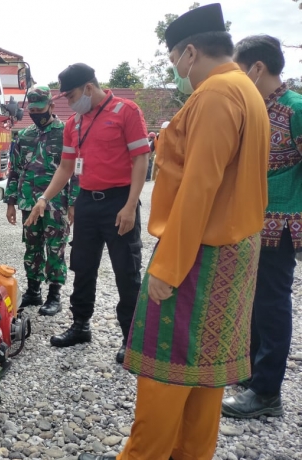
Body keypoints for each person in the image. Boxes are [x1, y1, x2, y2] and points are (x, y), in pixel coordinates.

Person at [77, 5, 270, 460]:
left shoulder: (215, 94)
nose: (177, 71)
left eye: (173, 62)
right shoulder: (246, 89)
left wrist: (167, 267)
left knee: (166, 371)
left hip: (197, 255)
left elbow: (199, 187)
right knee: (205, 375)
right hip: (234, 251)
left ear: (188, 53)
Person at [25, 66, 150, 363]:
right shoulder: (75, 123)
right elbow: (66, 168)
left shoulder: (126, 111)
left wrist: (131, 205)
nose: (68, 101)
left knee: (126, 270)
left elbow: (141, 159)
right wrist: (44, 198)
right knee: (83, 266)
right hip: (87, 203)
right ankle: (80, 325)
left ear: (89, 88)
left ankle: (131, 339)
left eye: (71, 95)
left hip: (119, 200)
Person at [222, 34, 302, 419]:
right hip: (251, 222)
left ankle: (267, 392)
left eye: (238, 68)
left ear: (256, 68)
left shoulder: (294, 108)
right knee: (251, 301)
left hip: (281, 224)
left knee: (271, 305)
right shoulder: (255, 107)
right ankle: (252, 373)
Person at [5, 86, 77, 316]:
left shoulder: (66, 132)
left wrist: (73, 203)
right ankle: (33, 290)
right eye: (32, 110)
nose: (36, 114)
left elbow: (75, 171)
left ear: (51, 106)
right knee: (32, 246)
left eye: (40, 109)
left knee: (55, 247)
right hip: (28, 201)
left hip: (57, 203)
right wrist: (10, 202)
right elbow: (14, 171)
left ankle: (54, 295)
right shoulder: (25, 136)